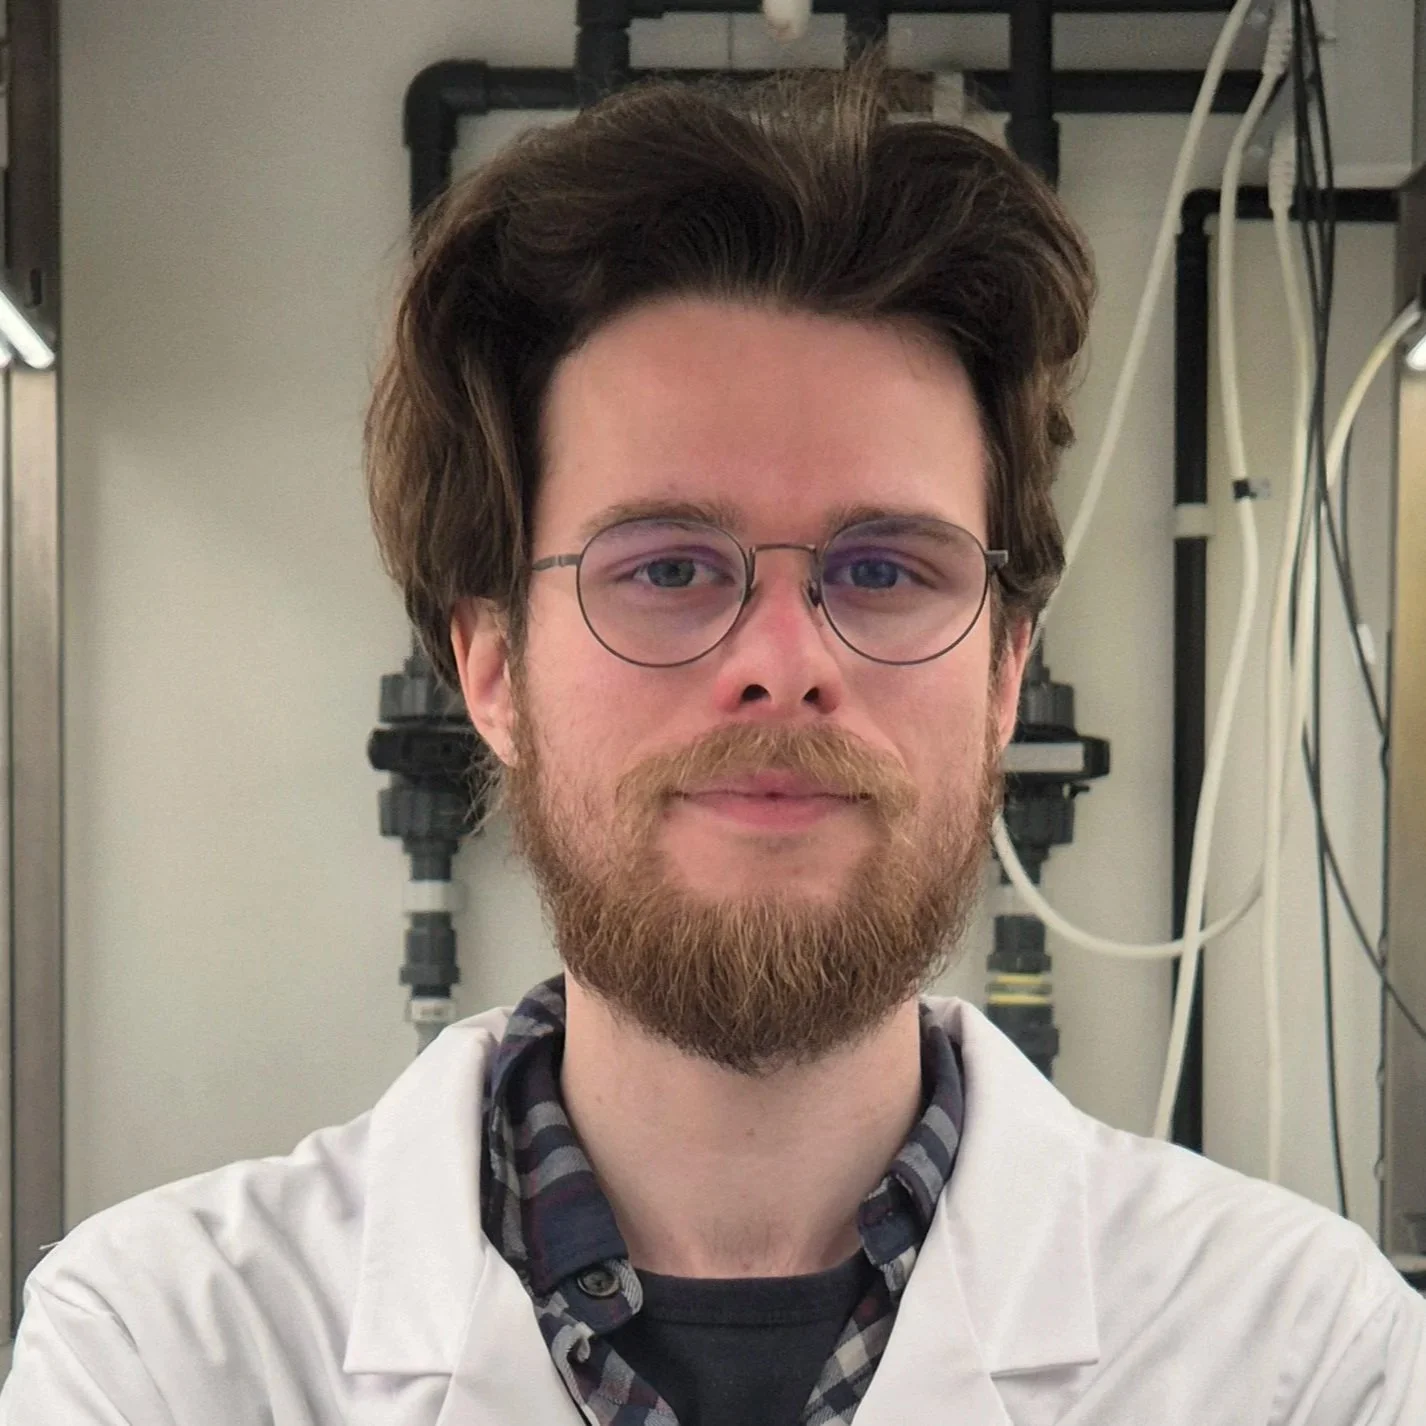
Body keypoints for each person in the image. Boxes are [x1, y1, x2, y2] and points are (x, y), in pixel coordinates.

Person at [3, 60, 1423, 1426]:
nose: (783, 665)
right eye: (669, 567)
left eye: (882, 571)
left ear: (1003, 673)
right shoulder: (161, 1352)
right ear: (489, 667)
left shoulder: (1307, 1360)